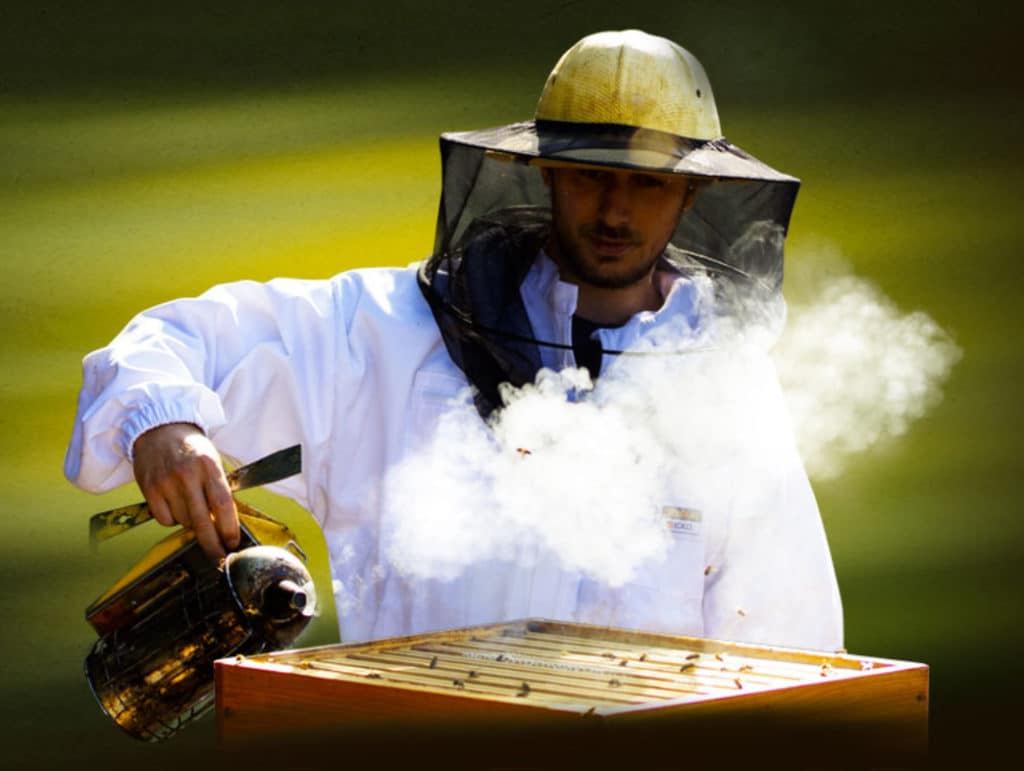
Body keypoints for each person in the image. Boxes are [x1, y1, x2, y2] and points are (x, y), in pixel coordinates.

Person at [65, 30, 842, 651]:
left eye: (647, 182)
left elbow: (786, 648)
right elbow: (168, 342)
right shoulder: (389, 334)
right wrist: (162, 422)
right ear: (542, 172)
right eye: (589, 175)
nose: (615, 210)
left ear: (694, 189)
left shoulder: (729, 394)